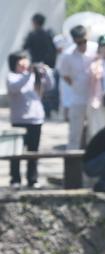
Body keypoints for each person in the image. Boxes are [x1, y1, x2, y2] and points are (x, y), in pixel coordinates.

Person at [7, 52, 54, 187]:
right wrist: (29, 74)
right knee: (16, 153)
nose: (24, 63)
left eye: (25, 60)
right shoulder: (12, 77)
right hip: (19, 120)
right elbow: (15, 87)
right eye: (20, 61)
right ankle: (15, 179)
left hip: (36, 120)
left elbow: (50, 86)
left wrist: (46, 72)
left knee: (33, 152)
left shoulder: (35, 77)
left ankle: (32, 179)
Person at [58, 26, 98, 150]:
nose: (82, 45)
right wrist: (76, 85)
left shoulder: (95, 48)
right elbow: (64, 75)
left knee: (94, 132)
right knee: (75, 133)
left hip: (95, 98)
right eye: (78, 42)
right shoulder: (67, 55)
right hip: (77, 97)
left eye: (84, 41)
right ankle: (72, 164)